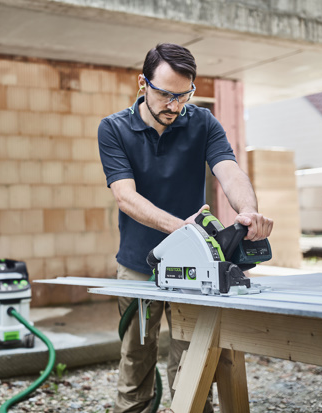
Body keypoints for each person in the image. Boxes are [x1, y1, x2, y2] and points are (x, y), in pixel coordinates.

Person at [97, 43, 273, 413]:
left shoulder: (202, 122)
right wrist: (186, 231)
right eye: (165, 95)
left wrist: (249, 210)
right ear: (142, 83)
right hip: (137, 267)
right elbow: (126, 197)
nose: (175, 106)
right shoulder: (113, 129)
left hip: (195, 272)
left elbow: (229, 170)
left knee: (191, 367)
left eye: (183, 95)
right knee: (135, 364)